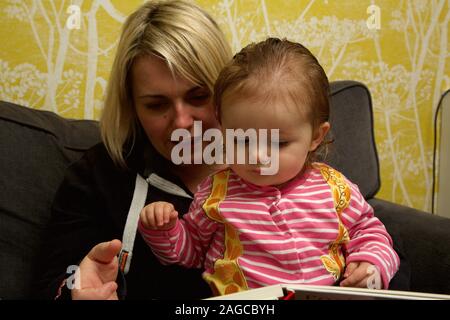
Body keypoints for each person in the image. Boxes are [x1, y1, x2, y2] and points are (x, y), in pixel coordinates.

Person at [138, 38, 400, 296]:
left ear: (315, 137)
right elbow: (191, 251)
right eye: (242, 140)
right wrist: (164, 229)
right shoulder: (215, 193)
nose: (258, 156)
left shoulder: (336, 190)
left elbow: (370, 233)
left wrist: (371, 265)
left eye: (278, 143)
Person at [32, 0, 232, 300]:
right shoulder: (97, 177)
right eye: (156, 105)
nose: (181, 122)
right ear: (132, 106)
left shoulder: (275, 160)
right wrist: (73, 292)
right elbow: (55, 281)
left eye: (199, 96)